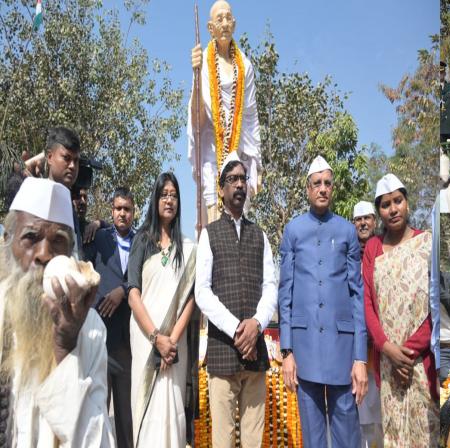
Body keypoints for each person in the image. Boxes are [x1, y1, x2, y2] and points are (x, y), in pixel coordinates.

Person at [0, 177, 115, 446]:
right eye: (31, 237)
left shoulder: (91, 327)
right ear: (9, 243)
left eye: (58, 241)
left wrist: (65, 347)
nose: (44, 254)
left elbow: (98, 442)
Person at [278, 156, 367, 447]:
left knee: (348, 437)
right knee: (313, 439)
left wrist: (360, 357)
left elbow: (357, 294)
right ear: (307, 189)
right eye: (317, 183)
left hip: (342, 350)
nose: (323, 189)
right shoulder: (293, 231)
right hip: (304, 351)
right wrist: (287, 351)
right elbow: (286, 293)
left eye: (328, 183)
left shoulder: (346, 231)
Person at [195, 154, 277, 448]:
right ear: (221, 189)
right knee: (223, 439)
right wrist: (237, 330)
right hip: (223, 352)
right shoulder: (209, 234)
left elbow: (271, 286)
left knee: (254, 439)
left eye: (243, 179)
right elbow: (202, 291)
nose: (239, 185)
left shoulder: (260, 235)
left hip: (255, 353)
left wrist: (255, 325)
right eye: (232, 179)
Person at [362, 173, 437, 447]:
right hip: (387, 360)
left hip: (420, 361)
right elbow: (368, 304)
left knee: (426, 434)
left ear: (407, 203)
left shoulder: (427, 242)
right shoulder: (373, 248)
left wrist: (407, 353)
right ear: (379, 212)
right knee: (395, 438)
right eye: (385, 204)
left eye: (397, 201)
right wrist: (387, 349)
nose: (392, 209)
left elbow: (434, 305)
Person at [127, 172, 196, 447]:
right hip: (147, 342)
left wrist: (172, 342)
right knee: (147, 413)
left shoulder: (187, 248)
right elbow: (133, 294)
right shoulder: (142, 241)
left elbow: (190, 299)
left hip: (174, 351)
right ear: (155, 199)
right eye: (164, 194)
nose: (169, 200)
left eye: (174, 195)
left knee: (172, 416)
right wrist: (157, 338)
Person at [189, 0, 262, 223]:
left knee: (239, 217)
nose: (225, 23)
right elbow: (197, 121)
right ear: (210, 28)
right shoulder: (204, 64)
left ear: (235, 23)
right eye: (219, 19)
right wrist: (196, 74)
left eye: (228, 18)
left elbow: (250, 117)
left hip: (237, 153)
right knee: (213, 219)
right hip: (211, 153)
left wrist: (256, 163)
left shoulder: (245, 66)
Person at [83, 186, 137, 448]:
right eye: (118, 209)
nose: (122, 214)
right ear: (111, 210)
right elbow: (81, 267)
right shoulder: (99, 238)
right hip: (99, 339)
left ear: (134, 211)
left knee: (126, 416)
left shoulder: (143, 242)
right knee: (98, 412)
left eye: (127, 209)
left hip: (128, 343)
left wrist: (123, 291)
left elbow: (144, 280)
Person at [351, 200, 383, 447]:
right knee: (361, 416)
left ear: (375, 221)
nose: (363, 223)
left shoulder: (384, 250)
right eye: (358, 219)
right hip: (359, 348)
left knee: (382, 413)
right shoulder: (348, 255)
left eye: (367, 218)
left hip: (382, 347)